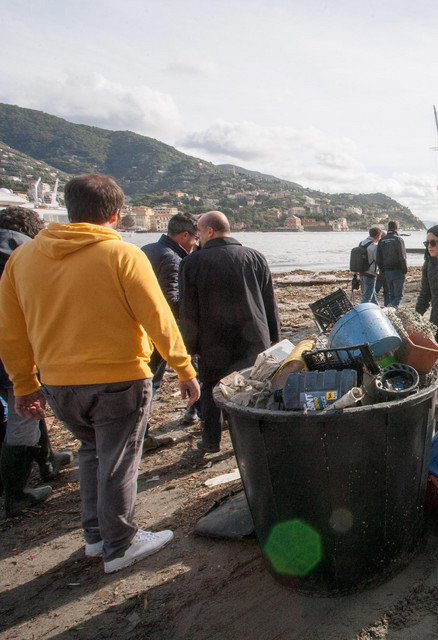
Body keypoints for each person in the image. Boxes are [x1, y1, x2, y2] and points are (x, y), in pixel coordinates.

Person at [0, 174, 200, 573]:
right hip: (119, 376)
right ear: (115, 214)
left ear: (71, 209)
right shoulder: (121, 254)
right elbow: (157, 317)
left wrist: (24, 384)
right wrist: (183, 367)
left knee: (92, 452)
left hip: (58, 381)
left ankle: (94, 535)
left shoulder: (23, 259)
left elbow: (11, 328)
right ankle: (120, 543)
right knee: (119, 459)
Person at [179, 211, 280, 457]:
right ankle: (255, 439)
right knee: (253, 386)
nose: (198, 238)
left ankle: (211, 441)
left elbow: (188, 311)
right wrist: (275, 336)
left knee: (212, 387)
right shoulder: (254, 257)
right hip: (253, 335)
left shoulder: (192, 263)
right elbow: (270, 301)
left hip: (213, 339)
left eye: (200, 233)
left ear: (209, 231)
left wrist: (189, 348)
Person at [0, 207, 73, 516]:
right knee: (25, 415)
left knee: (28, 409)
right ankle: (15, 494)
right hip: (16, 354)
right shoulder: (27, 257)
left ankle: (46, 462)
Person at [140, 213, 200, 450]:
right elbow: (171, 301)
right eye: (194, 239)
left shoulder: (146, 249)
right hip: (157, 333)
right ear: (185, 235)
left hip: (140, 330)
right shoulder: (172, 259)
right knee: (151, 384)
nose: (195, 244)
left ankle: (140, 434)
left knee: (145, 383)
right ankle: (142, 437)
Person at [376, 220, 407, 307]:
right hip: (398, 270)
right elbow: (403, 257)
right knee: (399, 296)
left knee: (392, 295)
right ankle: (390, 311)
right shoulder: (398, 240)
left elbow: (378, 258)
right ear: (397, 228)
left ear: (388, 228)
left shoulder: (382, 240)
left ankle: (391, 311)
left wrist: (383, 270)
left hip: (387, 271)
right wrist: (404, 270)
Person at [357, 226, 381, 304]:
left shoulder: (361, 243)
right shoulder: (374, 246)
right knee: (367, 296)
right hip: (370, 273)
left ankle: (376, 307)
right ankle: (361, 312)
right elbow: (378, 260)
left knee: (372, 293)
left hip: (361, 272)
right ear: (377, 236)